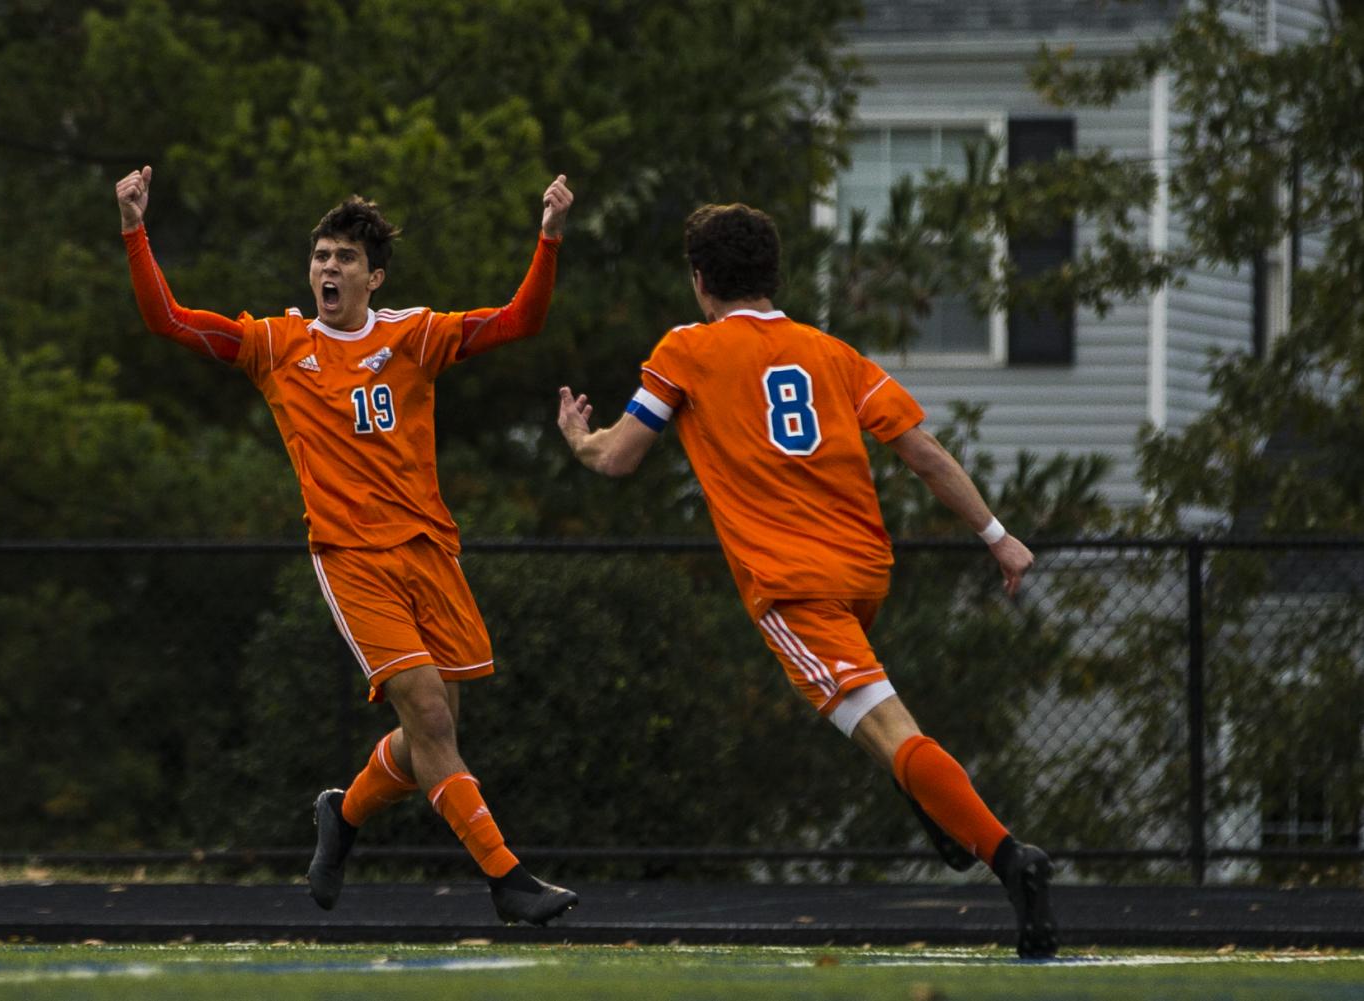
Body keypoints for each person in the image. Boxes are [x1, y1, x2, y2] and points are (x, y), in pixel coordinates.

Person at [555, 203, 1058, 959]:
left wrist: (579, 438)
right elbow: (922, 453)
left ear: (700, 281)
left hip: (793, 585)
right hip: (863, 571)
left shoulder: (686, 348)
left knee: (892, 731)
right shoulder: (830, 351)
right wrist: (997, 535)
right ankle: (928, 792)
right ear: (773, 275)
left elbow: (619, 457)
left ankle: (1007, 857)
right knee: (881, 718)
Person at [116, 165, 578, 927]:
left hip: (428, 549)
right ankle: (507, 876)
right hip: (351, 558)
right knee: (429, 718)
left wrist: (549, 238)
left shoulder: (413, 335)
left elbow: (518, 320)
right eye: (320, 257)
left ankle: (344, 811)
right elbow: (167, 318)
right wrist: (134, 227)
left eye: (344, 259)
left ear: (374, 276)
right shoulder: (275, 344)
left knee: (430, 735)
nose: (328, 269)